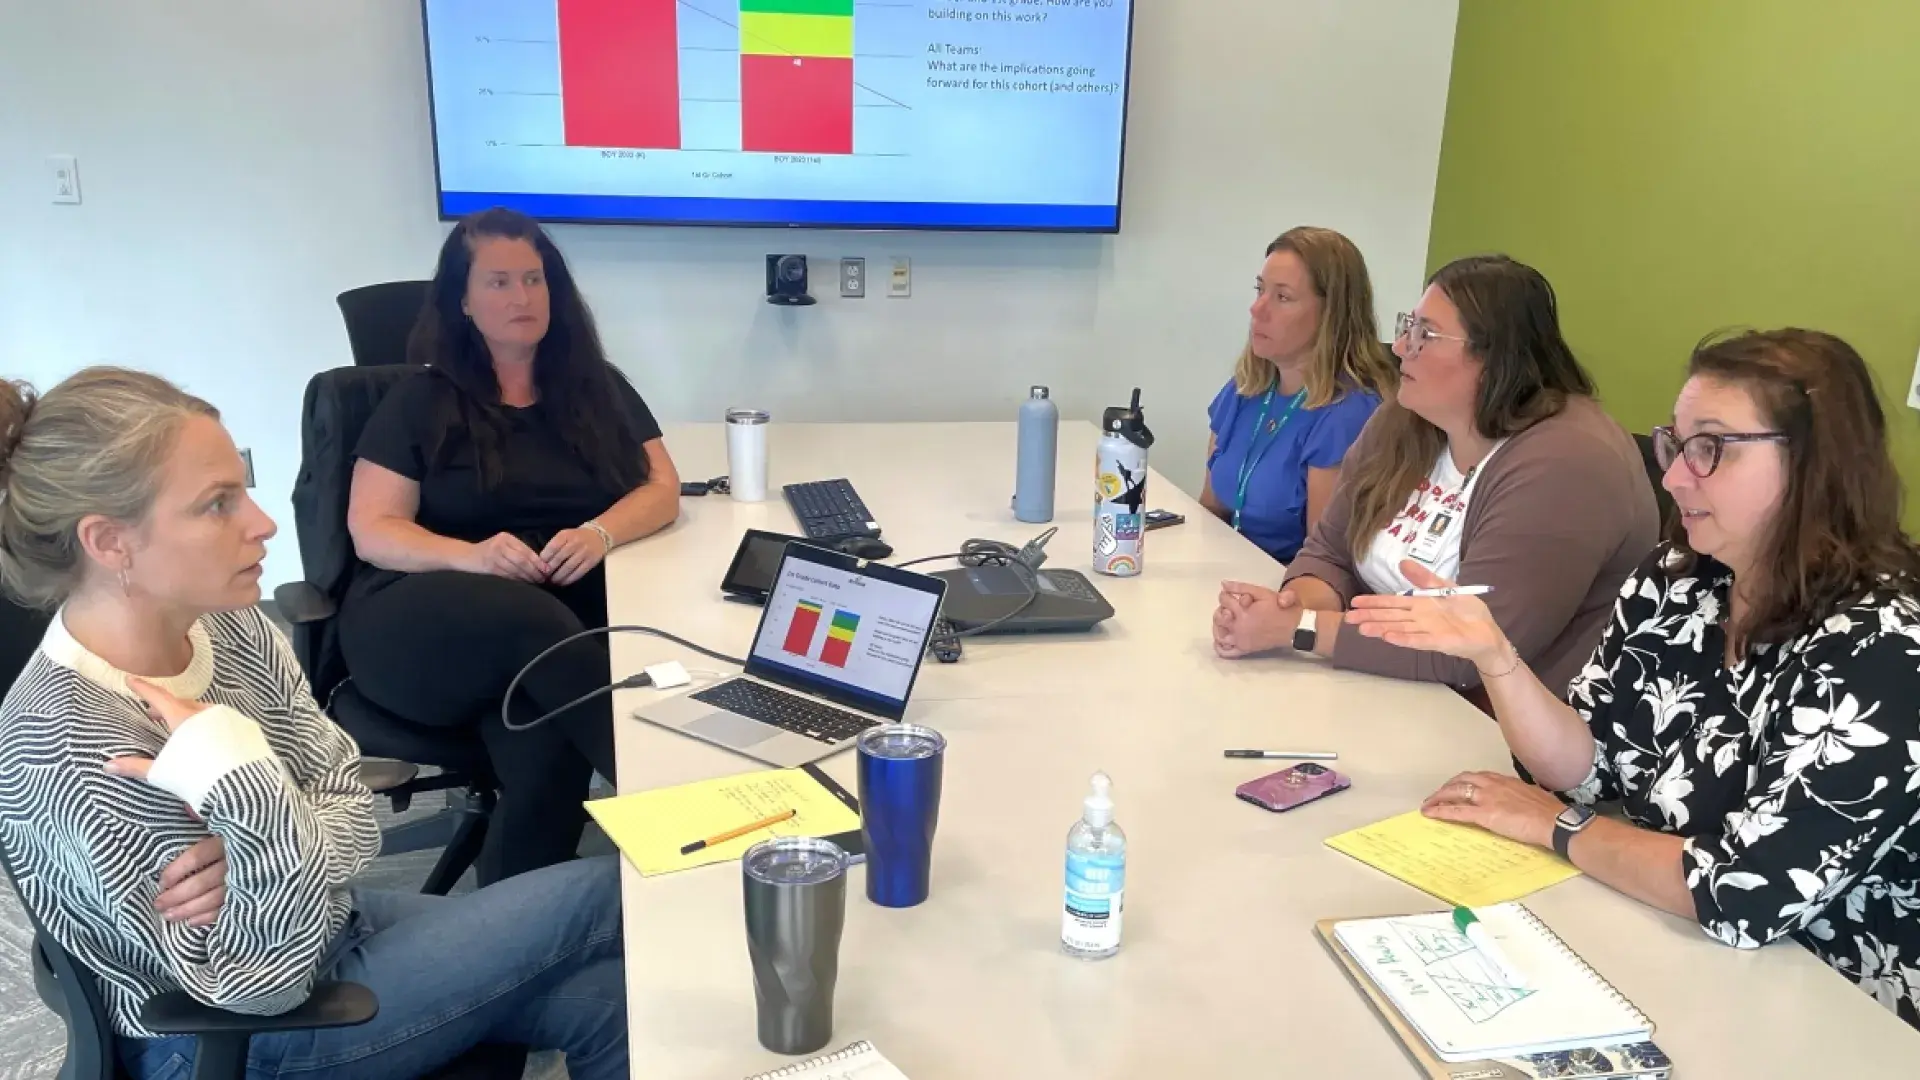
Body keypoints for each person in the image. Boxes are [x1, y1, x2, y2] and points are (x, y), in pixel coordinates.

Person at [0, 368, 630, 1078]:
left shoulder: (230, 625)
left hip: (330, 923)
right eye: (217, 504)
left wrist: (267, 850)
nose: (263, 523)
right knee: (614, 890)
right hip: (228, 1031)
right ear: (109, 542)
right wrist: (245, 783)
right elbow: (258, 981)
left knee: (614, 998)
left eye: (241, 485)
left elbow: (349, 800)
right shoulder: (69, 747)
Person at [1345, 329, 1920, 1029]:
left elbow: (1746, 893)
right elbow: (1585, 763)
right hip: (1675, 946)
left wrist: (1558, 828)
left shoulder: (1888, 646)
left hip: (1837, 1008)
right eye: (1676, 445)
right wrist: (1496, 657)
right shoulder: (1678, 578)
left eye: (1712, 448)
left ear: (1813, 463)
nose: (1676, 477)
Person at [341, 207, 680, 882]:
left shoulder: (595, 389)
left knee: (541, 740)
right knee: (532, 620)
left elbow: (662, 487)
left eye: (533, 279)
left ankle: (510, 926)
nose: (521, 297)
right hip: (420, 622)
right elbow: (372, 528)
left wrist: (599, 532)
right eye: (498, 282)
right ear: (462, 299)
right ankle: (680, 805)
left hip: (547, 644)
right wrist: (471, 556)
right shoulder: (420, 401)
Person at [1212, 255, 1658, 705]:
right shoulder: (1408, 413)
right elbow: (1330, 551)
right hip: (1383, 688)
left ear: (1494, 358)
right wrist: (1291, 607)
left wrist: (1301, 630)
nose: (1402, 346)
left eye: (1426, 333)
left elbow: (1470, 648)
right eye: (1410, 326)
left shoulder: (1568, 462)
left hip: (1500, 731)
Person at [1199, 227, 1396, 563]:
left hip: (1284, 590)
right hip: (1223, 574)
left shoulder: (1347, 414)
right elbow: (1210, 509)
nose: (1257, 309)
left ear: (1331, 315)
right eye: (1260, 290)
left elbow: (1321, 564)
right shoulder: (1244, 388)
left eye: (1283, 297)